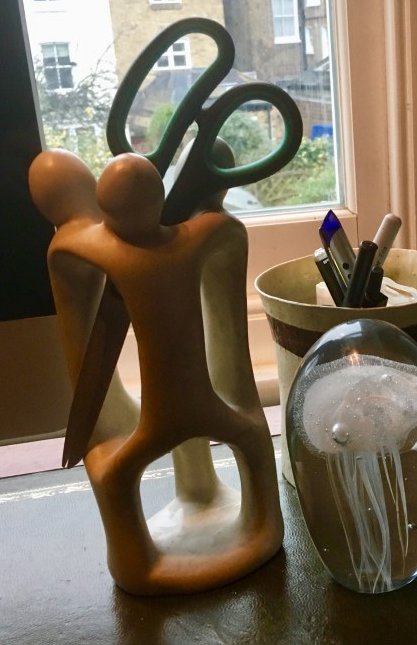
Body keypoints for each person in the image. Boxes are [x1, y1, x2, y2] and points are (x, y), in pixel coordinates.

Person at [29, 148, 283, 595]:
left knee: (114, 471)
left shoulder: (78, 246)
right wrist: (208, 203)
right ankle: (247, 522)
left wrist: (74, 220)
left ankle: (138, 559)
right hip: (212, 402)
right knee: (246, 442)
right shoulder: (206, 233)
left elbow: (70, 258)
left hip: (155, 418)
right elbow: (223, 228)